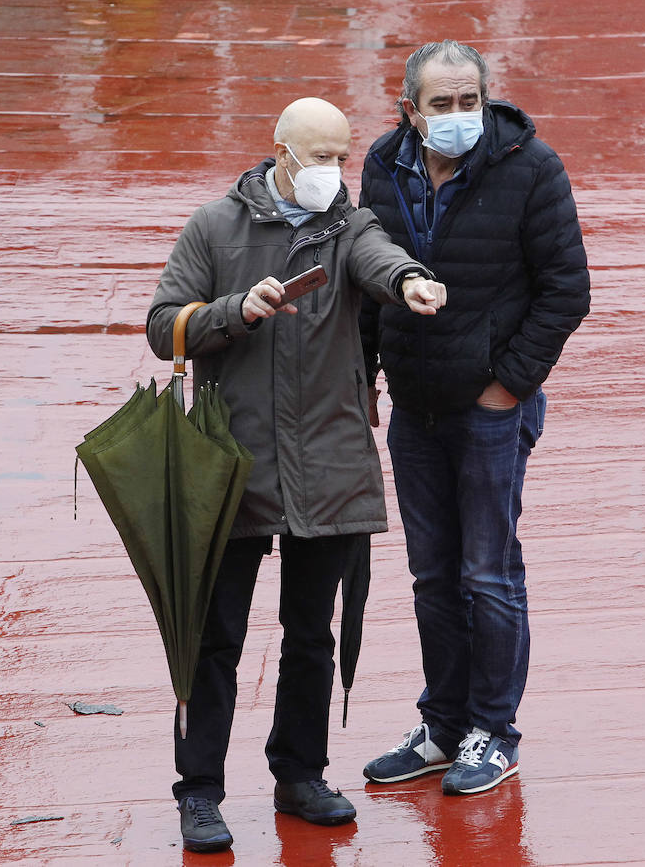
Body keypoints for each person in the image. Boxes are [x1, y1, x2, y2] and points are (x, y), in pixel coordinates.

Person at [145, 96, 447, 853]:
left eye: (342, 157)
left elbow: (379, 260)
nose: (333, 172)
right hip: (232, 466)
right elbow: (162, 327)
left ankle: (301, 775)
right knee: (214, 637)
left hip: (330, 464)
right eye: (319, 157)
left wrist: (409, 279)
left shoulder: (349, 226)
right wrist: (234, 311)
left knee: (312, 633)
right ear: (278, 151)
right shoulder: (216, 226)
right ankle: (201, 791)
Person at [358, 40, 591, 796]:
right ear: (409, 111)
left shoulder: (532, 168)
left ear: (486, 101)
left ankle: (494, 731)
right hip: (413, 408)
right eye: (442, 104)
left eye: (470, 102)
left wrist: (507, 386)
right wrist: (364, 379)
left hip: (490, 411)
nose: (458, 117)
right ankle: (444, 727)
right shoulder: (382, 168)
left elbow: (566, 291)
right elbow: (363, 279)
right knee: (432, 577)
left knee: (488, 574)